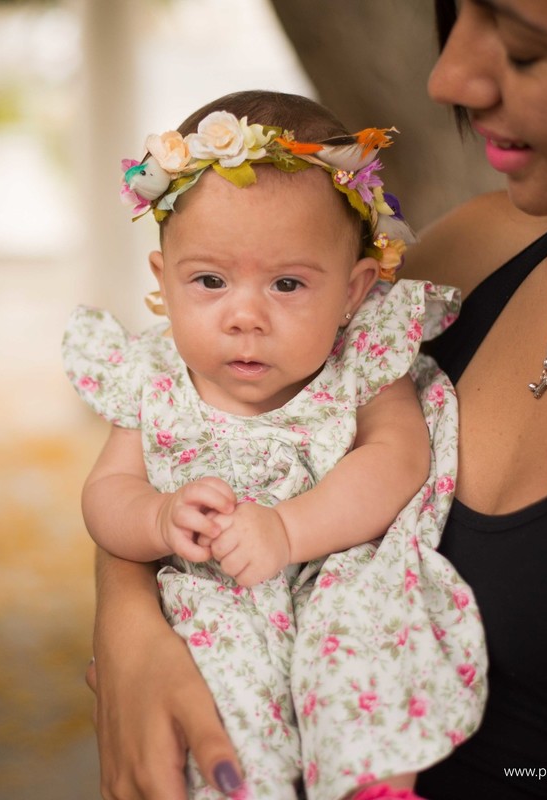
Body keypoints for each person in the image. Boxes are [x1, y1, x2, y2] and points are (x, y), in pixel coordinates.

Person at [84, 1, 547, 798]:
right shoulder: (473, 253)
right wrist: (130, 627)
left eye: (527, 48)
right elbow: (203, 422)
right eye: (455, 14)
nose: (449, 77)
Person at [64, 91, 486, 799]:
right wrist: (158, 517)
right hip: (215, 600)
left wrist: (289, 530)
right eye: (209, 281)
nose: (245, 317)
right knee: (221, 701)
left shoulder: (362, 365)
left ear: (354, 291)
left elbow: (398, 460)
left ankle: (370, 786)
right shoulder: (151, 375)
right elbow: (107, 493)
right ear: (163, 282)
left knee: (365, 658)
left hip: (335, 574)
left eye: (288, 283)